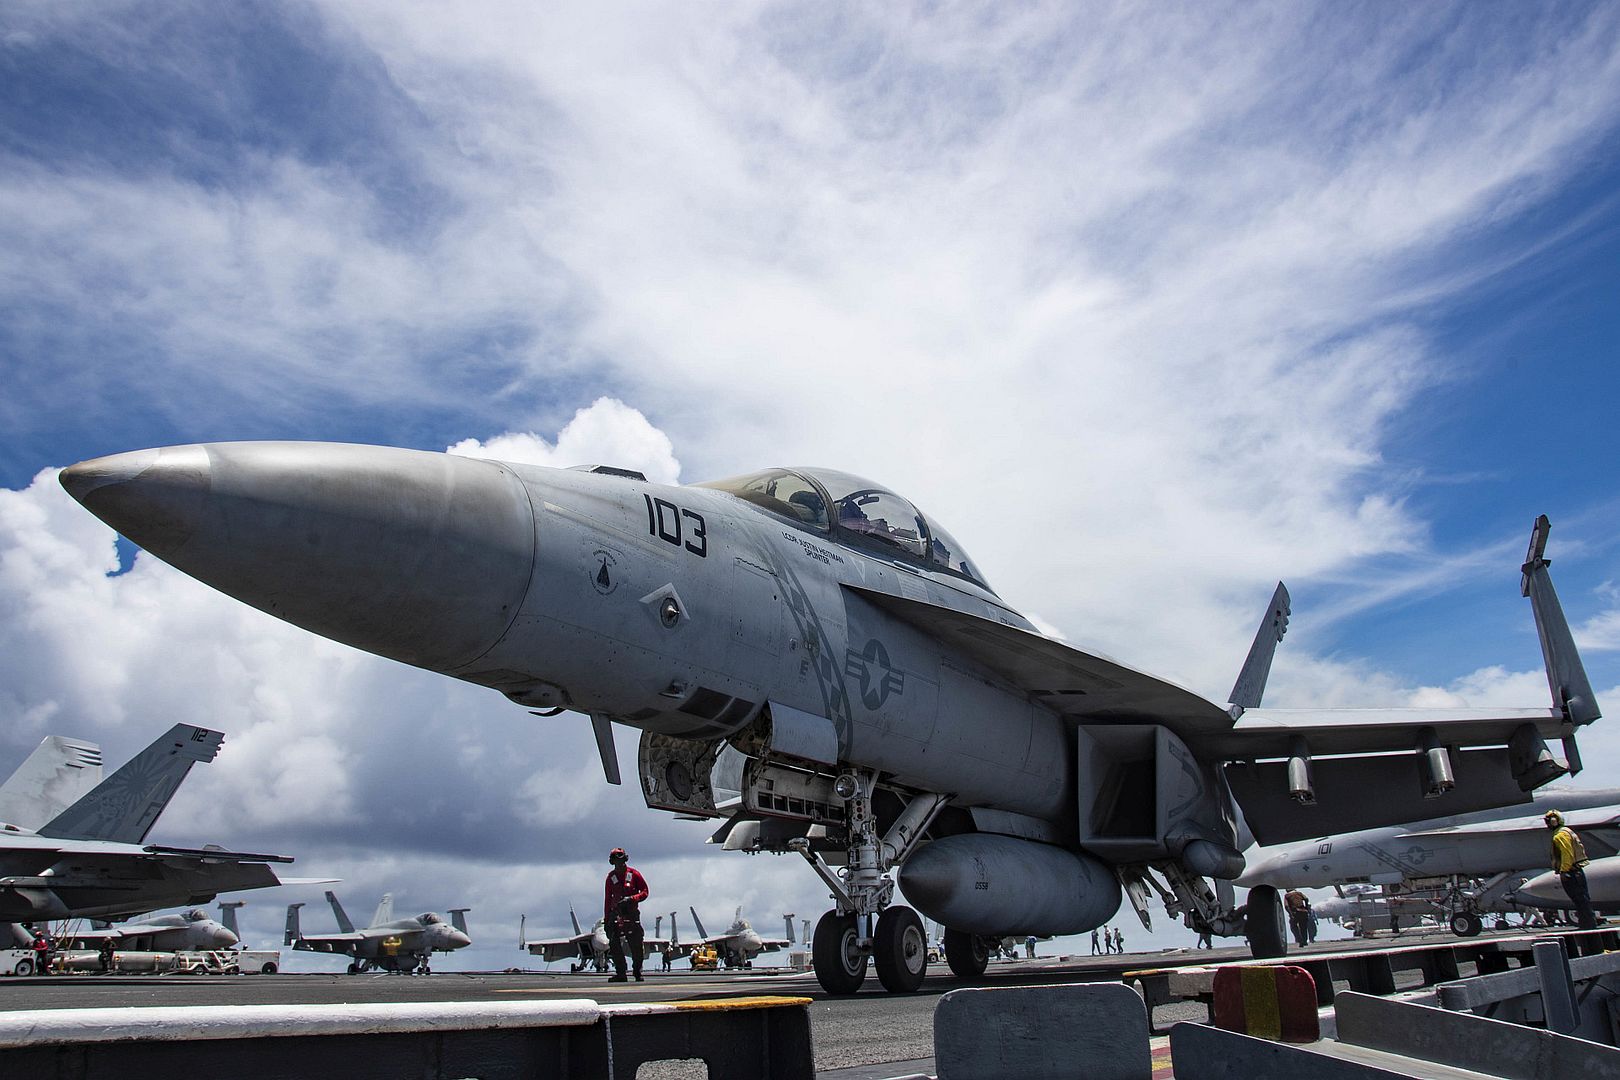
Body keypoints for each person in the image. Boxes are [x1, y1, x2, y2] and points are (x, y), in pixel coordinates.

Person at [1546, 809, 1599, 930]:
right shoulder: (1566, 831)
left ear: (1554, 821)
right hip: (1576, 871)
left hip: (1571, 873)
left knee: (1580, 900)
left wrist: (1564, 871)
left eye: (1548, 821)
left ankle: (1588, 926)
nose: (1547, 824)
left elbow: (1567, 854)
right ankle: (1588, 924)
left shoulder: (1560, 835)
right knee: (1583, 900)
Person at [603, 847, 649, 982]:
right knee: (614, 944)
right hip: (615, 914)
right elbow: (608, 898)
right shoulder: (611, 878)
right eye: (616, 860)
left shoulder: (634, 874)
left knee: (636, 943)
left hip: (631, 913)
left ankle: (637, 971)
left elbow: (645, 892)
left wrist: (632, 899)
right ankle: (621, 972)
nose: (620, 863)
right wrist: (607, 919)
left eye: (621, 859)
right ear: (612, 862)